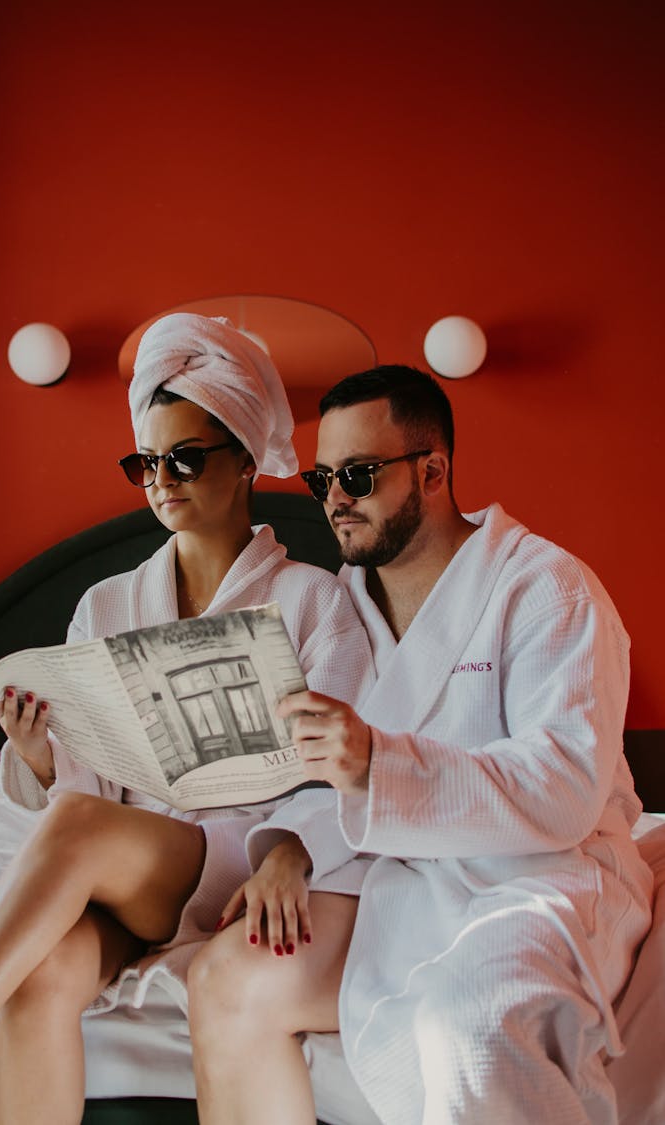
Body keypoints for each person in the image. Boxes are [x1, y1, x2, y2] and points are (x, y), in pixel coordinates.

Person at [0, 314, 374, 1125]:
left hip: (233, 862)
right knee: (45, 968)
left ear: (241, 460)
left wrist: (292, 856)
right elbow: (89, 785)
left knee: (82, 828)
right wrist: (44, 758)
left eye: (185, 457)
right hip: (136, 873)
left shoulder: (314, 598)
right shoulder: (107, 603)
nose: (162, 478)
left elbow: (345, 761)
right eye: (145, 462)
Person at [187, 364, 654, 1125]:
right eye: (323, 478)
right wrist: (291, 849)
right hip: (402, 876)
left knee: (466, 1025)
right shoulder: (338, 607)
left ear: (433, 469)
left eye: (361, 474)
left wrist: (377, 762)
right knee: (226, 977)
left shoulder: (547, 589)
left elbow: (565, 787)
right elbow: (313, 768)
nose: (337, 498)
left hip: (543, 874)